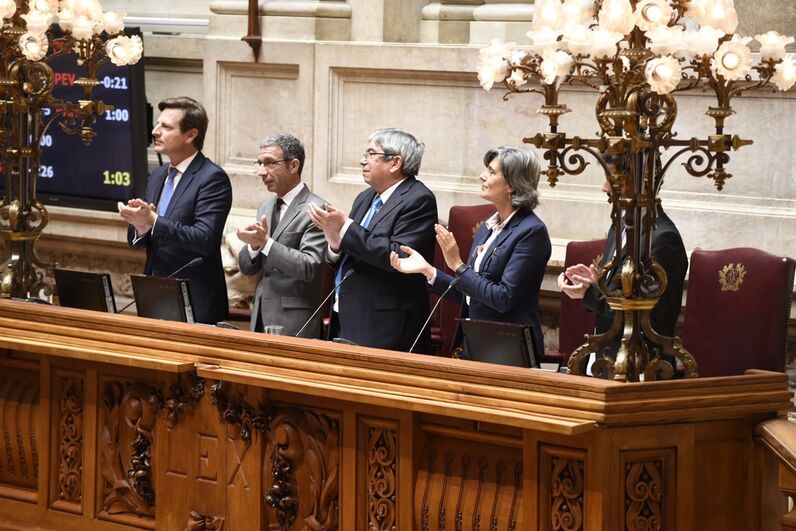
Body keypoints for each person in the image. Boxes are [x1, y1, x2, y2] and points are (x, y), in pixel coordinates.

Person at [390, 145, 551, 360]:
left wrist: (457, 264)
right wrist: (429, 272)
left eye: (492, 172)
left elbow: (502, 297)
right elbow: (472, 293)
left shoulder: (531, 232)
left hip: (510, 349)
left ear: (512, 184)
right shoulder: (486, 228)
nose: (482, 176)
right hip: (474, 343)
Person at [308, 128, 438, 352]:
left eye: (370, 154)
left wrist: (346, 227)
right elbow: (354, 249)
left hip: (386, 324)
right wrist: (335, 242)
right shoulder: (365, 197)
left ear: (395, 162)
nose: (362, 161)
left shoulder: (419, 199)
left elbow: (400, 255)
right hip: (346, 311)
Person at [558, 154, 687, 374]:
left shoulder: (663, 239)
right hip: (607, 359)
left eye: (613, 178)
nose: (604, 187)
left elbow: (648, 313)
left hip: (640, 367)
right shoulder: (620, 225)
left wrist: (590, 293)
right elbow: (621, 289)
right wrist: (595, 281)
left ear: (641, 181)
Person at [118, 96, 233, 325]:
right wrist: (140, 227)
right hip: (155, 294)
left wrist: (153, 220)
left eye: (166, 127)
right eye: (158, 124)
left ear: (190, 135)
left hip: (195, 300)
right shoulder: (159, 175)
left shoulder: (212, 178)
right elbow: (144, 238)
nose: (155, 131)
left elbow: (204, 239)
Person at [236, 134, 327, 337]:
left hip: (295, 319)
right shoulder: (265, 206)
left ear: (293, 166)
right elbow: (246, 267)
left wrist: (266, 243)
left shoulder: (317, 209)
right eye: (259, 163)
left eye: (269, 163)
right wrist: (253, 247)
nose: (261, 172)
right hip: (259, 314)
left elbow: (309, 267)